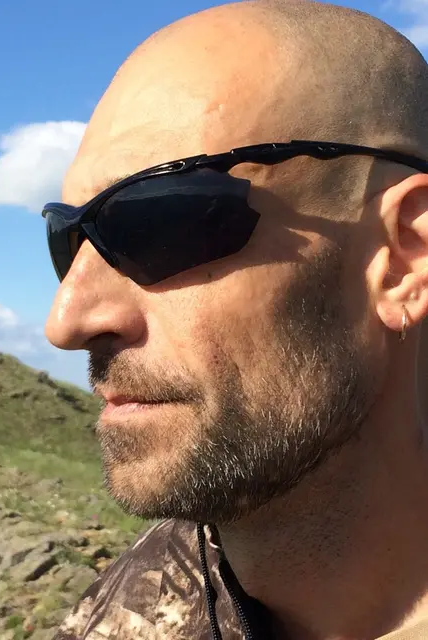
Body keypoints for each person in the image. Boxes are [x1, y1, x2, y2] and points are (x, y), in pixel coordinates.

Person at [43, 1, 428, 638]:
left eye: (158, 222)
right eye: (67, 240)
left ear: (404, 258)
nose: (66, 322)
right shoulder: (115, 617)